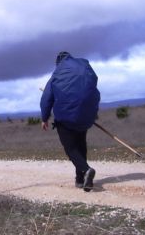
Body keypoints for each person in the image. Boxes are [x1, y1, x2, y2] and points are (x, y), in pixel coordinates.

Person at [40, 51, 100, 192]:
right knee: (81, 144)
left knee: (70, 148)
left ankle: (86, 170)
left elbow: (46, 98)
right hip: (85, 115)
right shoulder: (85, 67)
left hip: (65, 117)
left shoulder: (58, 72)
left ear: (58, 62)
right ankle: (80, 180)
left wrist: (44, 118)